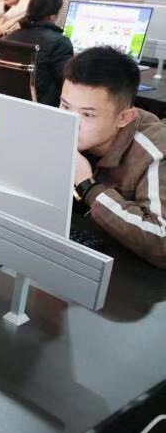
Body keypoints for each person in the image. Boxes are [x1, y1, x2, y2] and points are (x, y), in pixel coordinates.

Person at [61, 46, 166, 268]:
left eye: (87, 114)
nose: (70, 121)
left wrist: (87, 186)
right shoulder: (59, 125)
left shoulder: (154, 152)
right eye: (65, 105)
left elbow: (162, 242)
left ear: (124, 118)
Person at [7, 0, 73, 106]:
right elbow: (68, 83)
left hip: (10, 103)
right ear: (53, 16)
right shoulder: (60, 43)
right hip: (43, 108)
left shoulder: (11, 36)